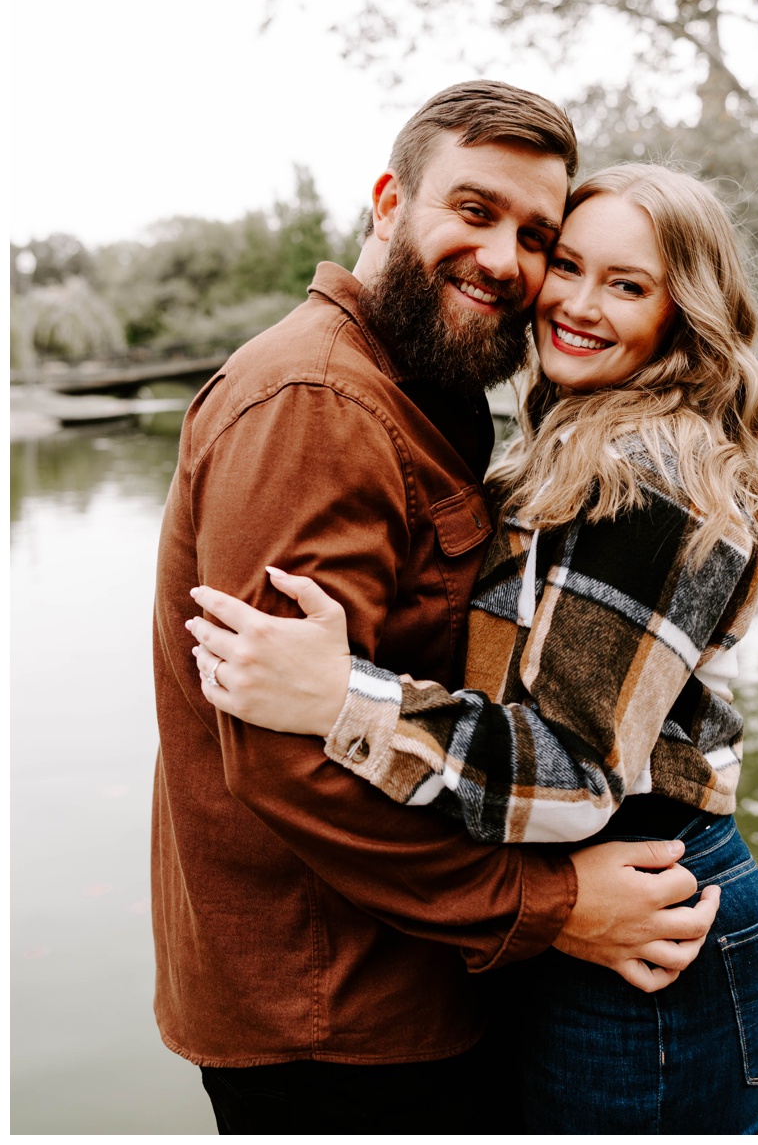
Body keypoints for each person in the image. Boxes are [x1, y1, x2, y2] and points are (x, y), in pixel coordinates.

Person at [151, 84, 723, 1135]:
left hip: (416, 981)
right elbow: (282, 754)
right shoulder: (318, 405)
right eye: (473, 209)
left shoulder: (425, 388)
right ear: (387, 202)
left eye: (533, 235)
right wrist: (548, 908)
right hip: (340, 1021)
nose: (506, 260)